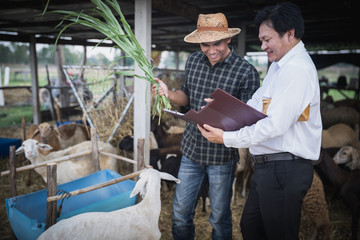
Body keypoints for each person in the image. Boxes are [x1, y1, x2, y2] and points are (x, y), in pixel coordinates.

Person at [198, 3, 322, 240]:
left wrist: (226, 138)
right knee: (251, 227)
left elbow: (274, 125)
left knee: (277, 234)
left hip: (285, 167)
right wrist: (221, 111)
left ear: (290, 34)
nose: (263, 46)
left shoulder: (296, 70)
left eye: (267, 39)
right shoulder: (278, 67)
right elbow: (256, 103)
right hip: (269, 167)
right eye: (261, 40)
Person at [152, 13, 260, 240]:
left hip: (222, 156)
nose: (211, 50)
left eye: (217, 43)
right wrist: (168, 93)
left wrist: (225, 110)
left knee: (219, 218)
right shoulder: (193, 61)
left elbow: (249, 120)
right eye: (205, 44)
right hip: (191, 151)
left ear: (228, 40)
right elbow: (186, 96)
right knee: (180, 214)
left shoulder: (246, 72)